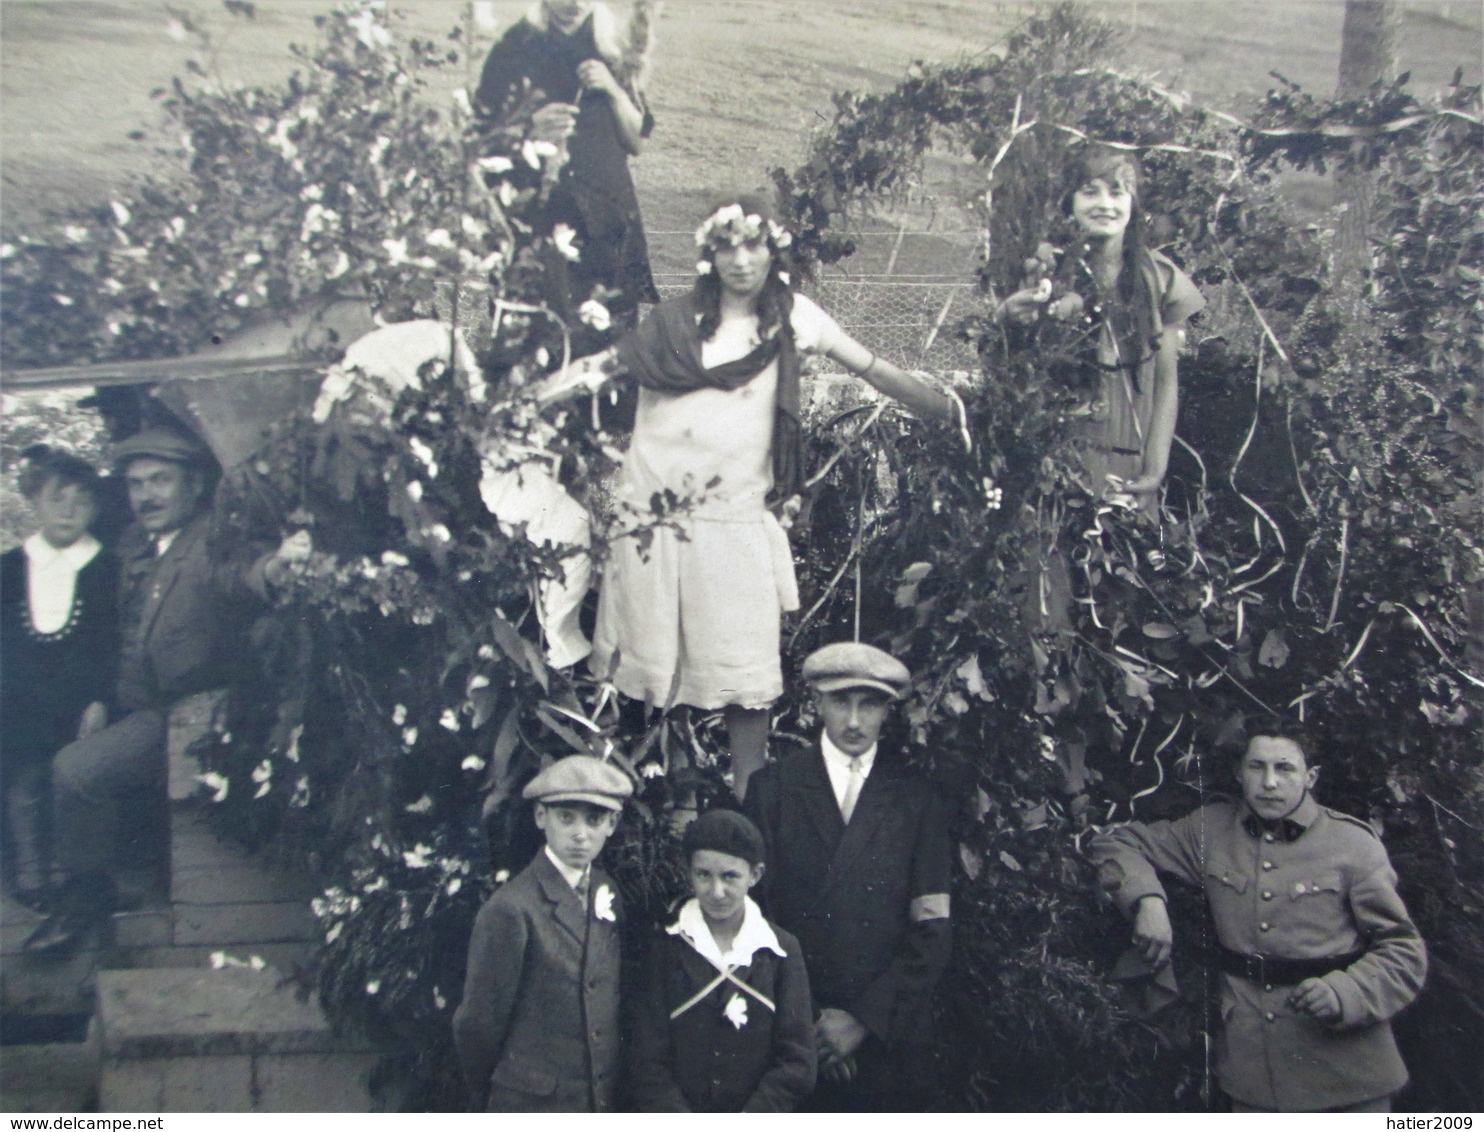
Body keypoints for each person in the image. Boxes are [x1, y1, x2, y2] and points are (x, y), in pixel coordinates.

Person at [540, 194, 965, 798]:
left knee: (745, 675)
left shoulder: (796, 318)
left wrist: (949, 411)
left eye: (753, 244)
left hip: (734, 520)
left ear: (773, 249)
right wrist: (514, 408)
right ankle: (676, 806)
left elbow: (871, 367)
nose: (741, 259)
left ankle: (750, 804)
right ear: (708, 256)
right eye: (726, 246)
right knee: (659, 672)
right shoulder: (674, 322)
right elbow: (602, 368)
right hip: (653, 523)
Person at [24, 426, 307, 954]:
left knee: (76, 770)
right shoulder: (133, 544)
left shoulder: (213, 540)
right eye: (135, 485)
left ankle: (86, 896)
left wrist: (276, 567)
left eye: (161, 481)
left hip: (187, 715)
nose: (147, 495)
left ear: (195, 487)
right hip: (131, 702)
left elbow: (244, 572)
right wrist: (100, 699)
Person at [1087, 728, 1428, 1112]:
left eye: (1284, 768)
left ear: (1310, 777)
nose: (1269, 783)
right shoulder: (1211, 831)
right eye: (1257, 767)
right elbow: (1117, 842)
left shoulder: (1353, 845)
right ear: (1240, 773)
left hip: (1347, 1076)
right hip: (1252, 1076)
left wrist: (1345, 992)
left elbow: (1404, 950)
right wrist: (1146, 900)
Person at [744, 641, 953, 1111]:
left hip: (887, 1041)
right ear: (817, 702)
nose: (854, 721)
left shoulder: (917, 800)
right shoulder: (772, 791)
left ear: (887, 710)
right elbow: (757, 919)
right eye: (841, 702)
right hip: (797, 1040)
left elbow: (933, 930)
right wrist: (812, 1026)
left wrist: (861, 1021)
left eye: (870, 703)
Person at [1000, 144, 1204, 515]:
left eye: (1117, 191)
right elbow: (1015, 374)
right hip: (1057, 462)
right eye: (1089, 191)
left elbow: (1165, 383)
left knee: (1124, 565)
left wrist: (1155, 469)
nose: (1104, 204)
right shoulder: (1046, 277)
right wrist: (1008, 320)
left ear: (1134, 202)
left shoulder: (1160, 280)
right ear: (1070, 203)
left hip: (1130, 464)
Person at [452, 754, 633, 1112]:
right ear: (540, 817)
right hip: (531, 1103)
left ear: (612, 824)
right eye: (566, 818)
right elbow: (477, 1026)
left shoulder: (606, 892)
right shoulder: (513, 908)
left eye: (594, 819)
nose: (580, 834)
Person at [474, 0, 661, 331]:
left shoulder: (612, 48)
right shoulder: (515, 48)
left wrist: (613, 89)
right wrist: (529, 128)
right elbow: (480, 142)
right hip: (541, 218)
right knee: (538, 336)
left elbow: (637, 141)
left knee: (613, 341)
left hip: (606, 220)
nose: (576, 3)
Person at [630, 808, 816, 1111]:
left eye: (730, 876)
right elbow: (647, 1061)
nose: (717, 892)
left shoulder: (780, 950)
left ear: (754, 875)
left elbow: (797, 1061)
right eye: (704, 875)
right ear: (688, 871)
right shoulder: (666, 947)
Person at [1, 448, 120, 910]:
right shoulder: (10, 567)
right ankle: (31, 872)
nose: (69, 510)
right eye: (57, 499)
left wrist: (100, 699)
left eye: (82, 500)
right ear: (35, 501)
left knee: (71, 780)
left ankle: (70, 871)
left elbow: (110, 641)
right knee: (24, 782)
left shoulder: (105, 568)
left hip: (78, 697)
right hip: (19, 696)